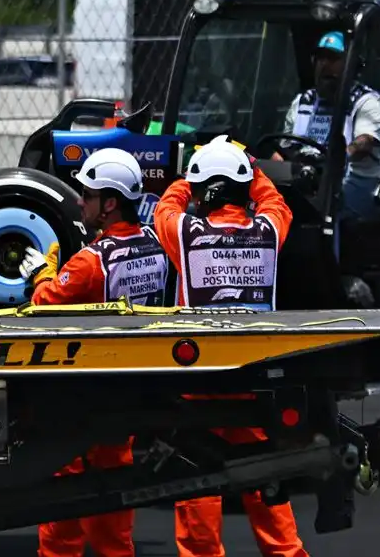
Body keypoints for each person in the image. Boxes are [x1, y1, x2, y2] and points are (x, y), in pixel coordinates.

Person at [151, 136, 307, 557]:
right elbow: (276, 202)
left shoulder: (186, 233)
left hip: (200, 382)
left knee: (197, 479)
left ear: (208, 191)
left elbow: (164, 208)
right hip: (253, 377)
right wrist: (250, 166)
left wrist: (187, 176)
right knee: (263, 476)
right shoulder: (269, 230)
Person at [23, 147, 173, 557]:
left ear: (109, 203)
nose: (79, 201)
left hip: (81, 395)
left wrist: (42, 272)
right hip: (130, 389)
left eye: (87, 195)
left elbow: (43, 302)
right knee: (114, 508)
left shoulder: (90, 263)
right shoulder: (157, 245)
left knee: (64, 498)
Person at [281, 31, 380, 227]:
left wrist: (337, 157)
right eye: (320, 58)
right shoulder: (302, 103)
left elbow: (364, 142)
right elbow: (284, 150)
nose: (325, 64)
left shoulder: (366, 101)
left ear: (352, 66)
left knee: (320, 209)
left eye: (334, 58)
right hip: (307, 183)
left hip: (357, 189)